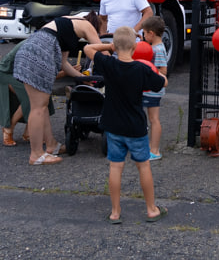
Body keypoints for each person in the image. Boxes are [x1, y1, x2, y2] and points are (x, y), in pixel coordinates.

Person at [84, 26, 168, 224]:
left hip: (113, 126)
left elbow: (88, 49)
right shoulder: (141, 69)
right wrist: (160, 75)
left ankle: (115, 212)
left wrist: (110, 46)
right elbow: (162, 83)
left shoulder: (109, 64)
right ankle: (151, 209)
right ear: (135, 47)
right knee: (143, 165)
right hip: (135, 127)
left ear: (114, 46)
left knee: (115, 166)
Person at [13, 12, 100, 165]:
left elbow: (64, 63)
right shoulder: (86, 24)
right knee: (38, 108)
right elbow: (100, 53)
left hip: (30, 51)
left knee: (42, 106)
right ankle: (36, 154)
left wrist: (81, 79)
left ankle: (51, 145)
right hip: (40, 54)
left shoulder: (65, 26)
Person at [0, 39, 56, 147]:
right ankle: (8, 128)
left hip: (22, 73)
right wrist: (66, 72)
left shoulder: (45, 43)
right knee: (33, 98)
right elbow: (41, 74)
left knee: (42, 95)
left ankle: (28, 132)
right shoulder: (36, 46)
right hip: (7, 72)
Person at [141, 16, 168, 160]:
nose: (144, 36)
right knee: (150, 118)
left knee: (154, 119)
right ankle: (150, 147)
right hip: (150, 89)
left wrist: (150, 72)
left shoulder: (157, 50)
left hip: (153, 91)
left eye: (144, 33)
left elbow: (163, 71)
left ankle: (155, 150)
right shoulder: (155, 47)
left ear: (151, 33)